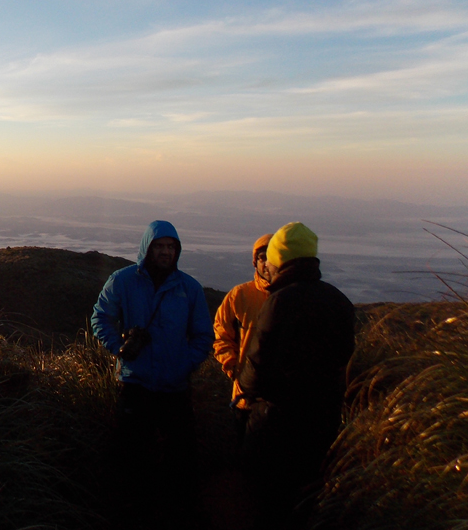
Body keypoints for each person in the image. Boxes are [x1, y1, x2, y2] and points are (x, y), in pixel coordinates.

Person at [91, 220, 214, 526]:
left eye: (171, 247)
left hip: (175, 387)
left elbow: (203, 335)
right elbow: (100, 318)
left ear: (178, 251)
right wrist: (117, 348)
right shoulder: (123, 281)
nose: (165, 252)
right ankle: (131, 513)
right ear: (147, 248)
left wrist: (186, 363)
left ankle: (179, 514)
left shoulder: (189, 288)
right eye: (159, 246)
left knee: (181, 460)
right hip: (136, 384)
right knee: (131, 458)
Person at [238, 222, 356, 529]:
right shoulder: (339, 300)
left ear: (281, 259)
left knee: (270, 502)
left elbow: (256, 366)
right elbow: (345, 358)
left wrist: (246, 393)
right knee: (309, 497)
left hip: (277, 423)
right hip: (323, 421)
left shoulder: (278, 301)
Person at [213, 233, 273, 446]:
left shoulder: (292, 297)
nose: (267, 263)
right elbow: (221, 335)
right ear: (254, 262)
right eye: (262, 257)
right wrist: (233, 368)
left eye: (272, 257)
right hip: (245, 398)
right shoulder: (239, 295)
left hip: (280, 401)